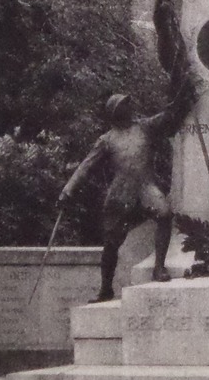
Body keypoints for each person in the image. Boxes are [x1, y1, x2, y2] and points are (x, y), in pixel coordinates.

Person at [59, 84, 194, 302]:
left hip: (145, 187)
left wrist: (181, 96)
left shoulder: (144, 127)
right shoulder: (107, 140)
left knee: (165, 214)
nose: (129, 107)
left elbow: (167, 116)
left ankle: (159, 268)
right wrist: (68, 190)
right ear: (115, 112)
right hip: (120, 195)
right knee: (111, 244)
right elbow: (86, 166)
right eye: (124, 105)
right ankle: (105, 289)